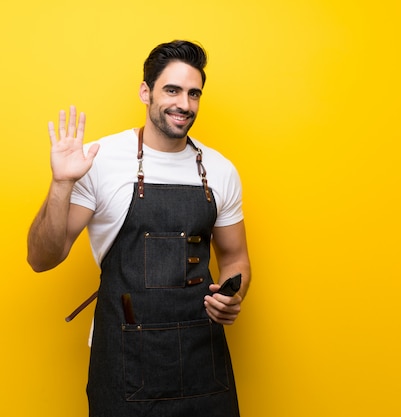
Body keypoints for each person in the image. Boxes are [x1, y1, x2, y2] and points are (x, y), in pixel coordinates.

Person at [27, 40, 251, 417]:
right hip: (125, 363)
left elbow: (236, 257)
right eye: (172, 90)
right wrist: (62, 183)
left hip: (203, 365)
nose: (184, 103)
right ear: (146, 92)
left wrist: (233, 295)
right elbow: (41, 258)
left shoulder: (220, 170)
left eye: (194, 93)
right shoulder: (99, 160)